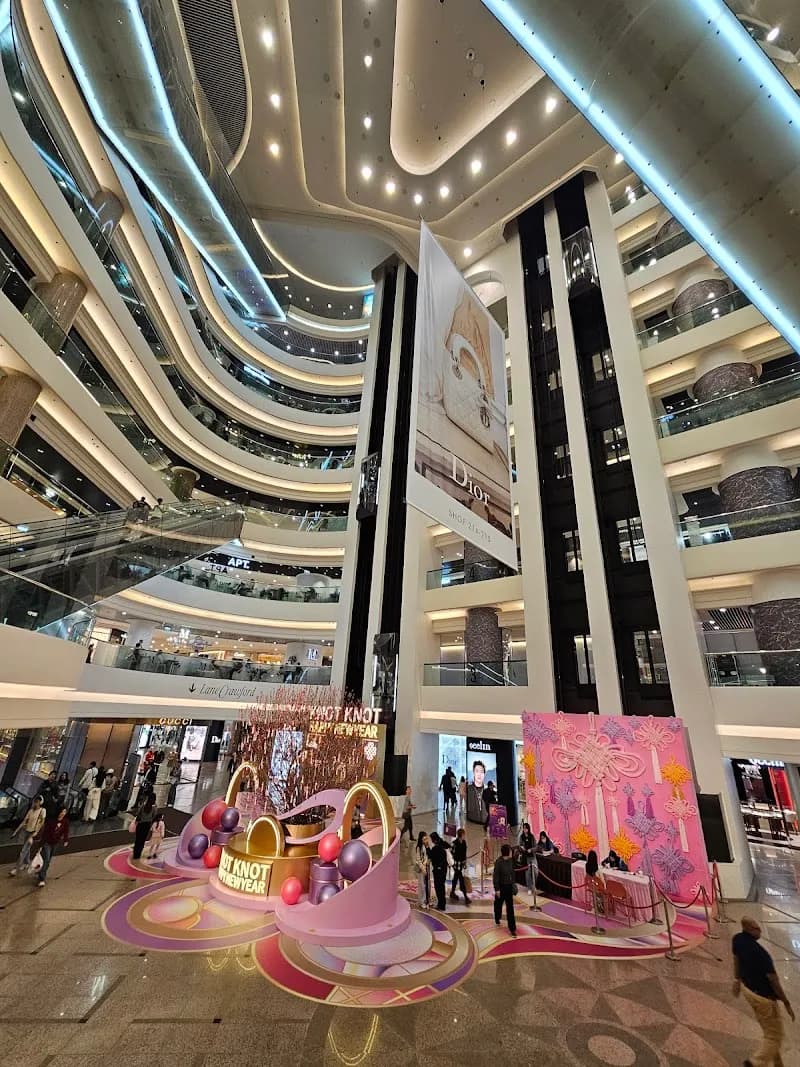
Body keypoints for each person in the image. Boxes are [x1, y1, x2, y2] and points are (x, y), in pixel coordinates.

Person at [733, 915, 794, 1066]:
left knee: (770, 1030)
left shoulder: (737, 939)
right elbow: (774, 980)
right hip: (764, 998)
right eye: (756, 928)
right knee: (774, 1037)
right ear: (747, 928)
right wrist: (786, 1002)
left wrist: (737, 979)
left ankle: (778, 1063)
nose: (759, 930)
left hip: (749, 991)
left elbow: (737, 959)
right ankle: (755, 1062)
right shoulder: (761, 953)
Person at [9, 795, 46, 876]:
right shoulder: (31, 811)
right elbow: (24, 821)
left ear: (41, 802)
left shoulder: (42, 811)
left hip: (33, 833)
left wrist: (35, 833)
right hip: (27, 831)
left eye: (38, 802)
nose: (36, 803)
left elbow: (41, 822)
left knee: (24, 850)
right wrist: (16, 832)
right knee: (27, 849)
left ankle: (16, 868)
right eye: (35, 801)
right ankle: (26, 863)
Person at [36, 807, 70, 886]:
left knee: (48, 860)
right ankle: (42, 878)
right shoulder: (51, 821)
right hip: (47, 842)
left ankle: (41, 872)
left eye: (64, 812)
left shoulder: (65, 822)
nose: (63, 813)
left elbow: (66, 831)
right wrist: (41, 844)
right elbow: (45, 833)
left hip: (55, 843)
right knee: (47, 859)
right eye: (62, 811)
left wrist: (65, 840)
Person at [493, 842, 517, 936]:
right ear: (507, 852)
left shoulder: (511, 861)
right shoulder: (499, 862)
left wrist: (513, 884)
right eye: (510, 851)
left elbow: (513, 873)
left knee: (510, 908)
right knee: (498, 904)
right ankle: (497, 917)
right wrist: (497, 889)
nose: (512, 852)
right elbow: (496, 876)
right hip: (501, 887)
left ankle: (512, 928)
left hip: (509, 887)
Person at [428, 832, 449, 911]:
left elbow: (430, 856)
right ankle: (443, 904)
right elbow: (448, 846)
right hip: (444, 869)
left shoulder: (435, 848)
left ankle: (441, 905)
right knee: (442, 886)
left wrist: (427, 848)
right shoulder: (443, 845)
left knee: (438, 887)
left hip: (438, 871)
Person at [132, 793, 156, 860]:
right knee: (142, 840)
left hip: (140, 824)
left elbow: (138, 814)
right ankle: (139, 854)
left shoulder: (143, 805)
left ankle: (135, 853)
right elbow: (154, 816)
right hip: (147, 825)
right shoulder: (154, 807)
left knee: (138, 839)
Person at [450, 827, 471, 905]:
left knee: (455, 878)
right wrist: (454, 858)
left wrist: (465, 862)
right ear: (461, 835)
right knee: (461, 880)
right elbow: (451, 852)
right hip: (456, 864)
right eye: (463, 834)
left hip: (461, 864)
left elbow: (464, 853)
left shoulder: (464, 842)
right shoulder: (454, 843)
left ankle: (452, 892)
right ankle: (465, 896)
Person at [466, 759, 488, 824]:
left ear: (484, 774)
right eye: (477, 771)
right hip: (472, 822)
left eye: (481, 772)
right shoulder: (469, 789)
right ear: (473, 772)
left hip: (485, 819)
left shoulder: (487, 789)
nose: (479, 774)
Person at [519, 822, 537, 894]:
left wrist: (531, 850)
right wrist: (522, 848)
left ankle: (533, 885)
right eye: (524, 828)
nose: (524, 830)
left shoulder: (532, 836)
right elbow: (520, 845)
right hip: (525, 857)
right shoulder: (521, 837)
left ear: (528, 829)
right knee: (528, 873)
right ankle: (529, 887)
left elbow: (536, 847)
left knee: (536, 872)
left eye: (526, 828)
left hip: (532, 856)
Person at [414, 831, 431, 908]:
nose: (426, 840)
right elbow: (418, 859)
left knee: (425, 885)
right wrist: (423, 868)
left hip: (426, 867)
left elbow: (428, 856)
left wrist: (427, 862)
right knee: (421, 885)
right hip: (421, 869)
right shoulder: (419, 847)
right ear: (421, 839)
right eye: (424, 839)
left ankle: (424, 900)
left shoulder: (426, 846)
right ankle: (421, 901)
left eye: (426, 838)